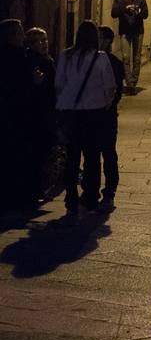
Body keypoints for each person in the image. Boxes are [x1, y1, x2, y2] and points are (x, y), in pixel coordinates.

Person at [55, 20, 116, 213]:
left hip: (72, 113)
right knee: (92, 156)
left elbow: (59, 84)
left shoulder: (65, 56)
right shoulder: (101, 58)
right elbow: (110, 87)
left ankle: (71, 197)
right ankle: (90, 195)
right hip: (94, 113)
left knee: (72, 157)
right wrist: (104, 104)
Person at [0, 19, 37, 209]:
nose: (24, 36)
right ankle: (19, 197)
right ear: (12, 36)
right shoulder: (22, 58)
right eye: (20, 33)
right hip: (20, 114)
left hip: (7, 114)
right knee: (19, 156)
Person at [24, 27, 57, 202]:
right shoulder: (33, 61)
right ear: (31, 44)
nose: (45, 44)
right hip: (38, 115)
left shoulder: (46, 60)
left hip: (46, 113)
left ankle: (41, 188)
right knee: (38, 154)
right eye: (40, 41)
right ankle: (36, 191)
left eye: (45, 40)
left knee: (44, 153)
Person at [98, 26, 125, 211]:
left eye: (99, 37)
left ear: (107, 41)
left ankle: (109, 191)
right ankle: (91, 190)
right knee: (94, 154)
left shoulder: (114, 62)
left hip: (106, 114)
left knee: (108, 152)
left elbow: (117, 91)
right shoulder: (90, 60)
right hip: (95, 113)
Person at [110, 0, 148, 95]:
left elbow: (146, 14)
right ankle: (129, 83)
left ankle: (133, 81)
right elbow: (114, 13)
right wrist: (125, 9)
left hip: (138, 31)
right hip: (125, 31)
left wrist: (139, 11)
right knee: (126, 58)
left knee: (136, 58)